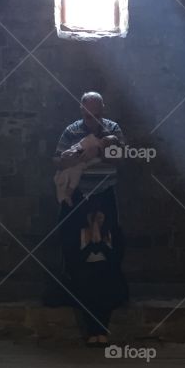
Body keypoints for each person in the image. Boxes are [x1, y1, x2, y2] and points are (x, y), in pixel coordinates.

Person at [52, 91, 129, 345]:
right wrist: (81, 153)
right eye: (88, 114)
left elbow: (120, 161)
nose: (93, 118)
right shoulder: (71, 131)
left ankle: (102, 326)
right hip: (77, 200)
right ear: (81, 110)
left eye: (97, 114)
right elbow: (59, 161)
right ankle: (89, 326)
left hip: (104, 198)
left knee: (106, 259)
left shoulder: (113, 129)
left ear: (103, 110)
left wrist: (102, 147)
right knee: (78, 259)